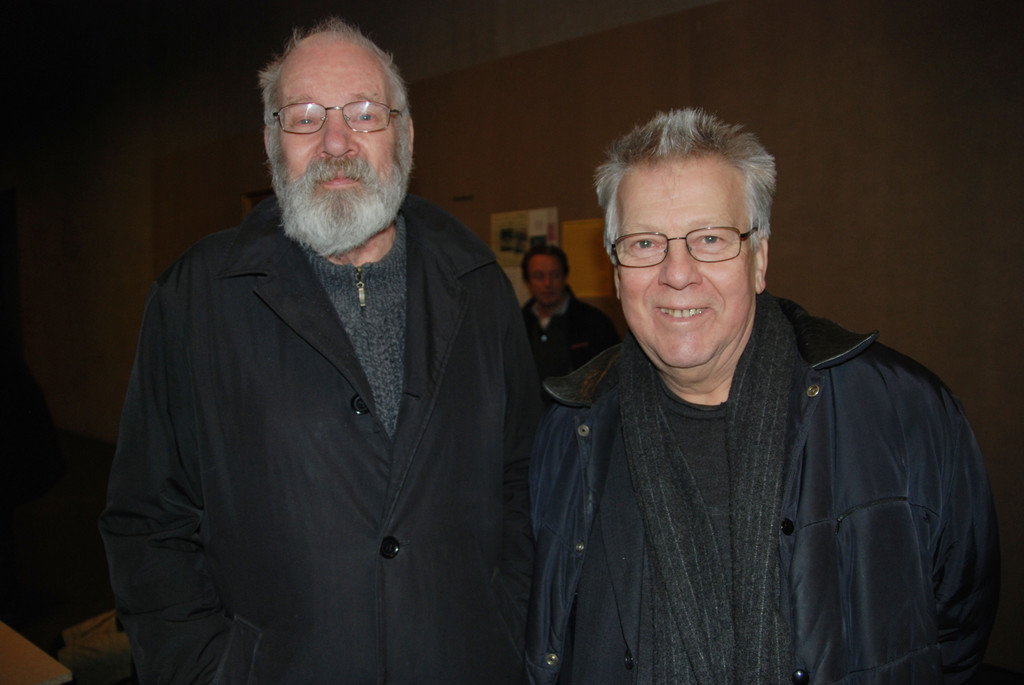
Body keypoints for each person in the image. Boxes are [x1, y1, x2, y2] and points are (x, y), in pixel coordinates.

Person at [99, 18, 540, 684]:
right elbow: (149, 523)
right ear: (271, 142)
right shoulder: (193, 299)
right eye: (305, 117)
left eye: (364, 113)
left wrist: (507, 629)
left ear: (405, 136)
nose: (336, 142)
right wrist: (208, 671)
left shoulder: (480, 287)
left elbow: (524, 484)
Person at [525, 109, 999, 684]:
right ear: (617, 272)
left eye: (710, 239)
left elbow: (957, 632)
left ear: (759, 259)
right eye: (645, 242)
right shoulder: (568, 433)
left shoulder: (901, 412)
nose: (678, 273)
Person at [521, 244, 620, 382]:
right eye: (539, 276)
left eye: (555, 275)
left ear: (565, 277)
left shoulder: (594, 322)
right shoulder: (518, 324)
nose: (547, 283)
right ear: (528, 281)